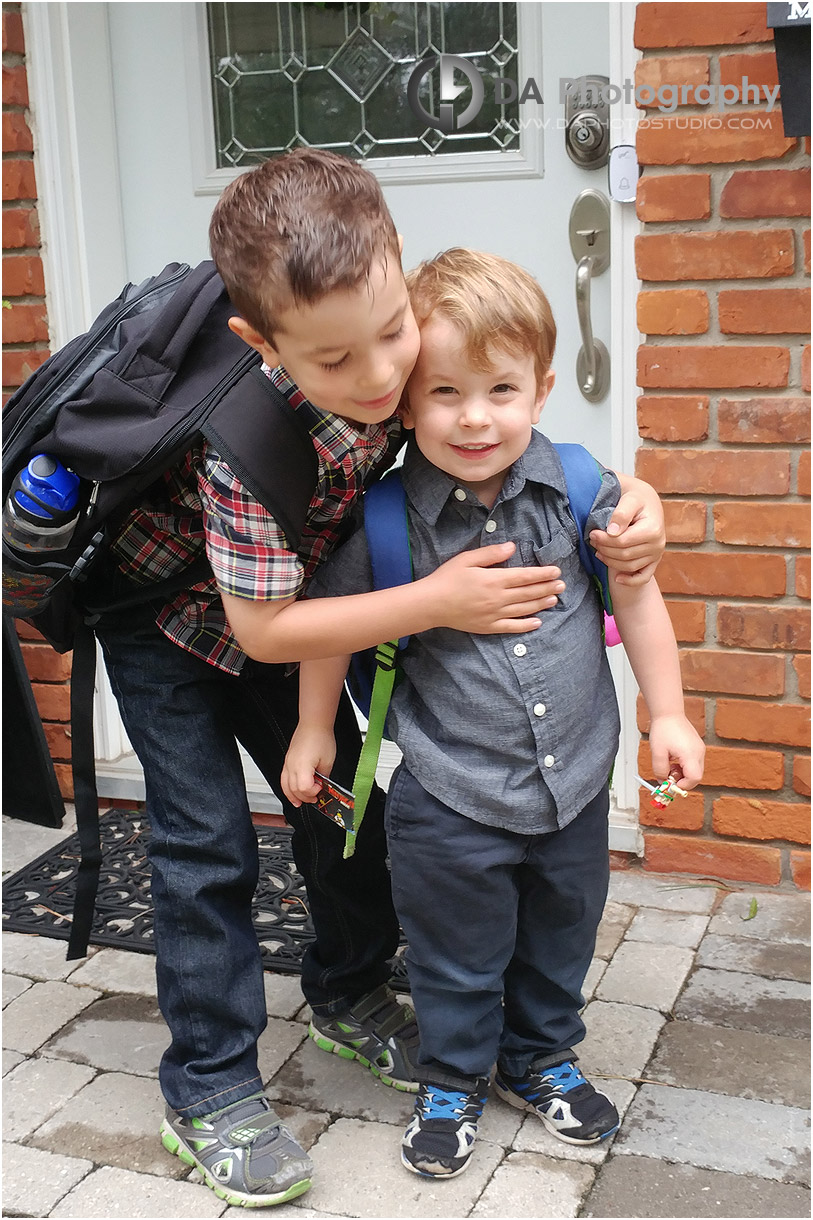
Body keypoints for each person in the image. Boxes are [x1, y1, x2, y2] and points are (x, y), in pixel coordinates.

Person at [91, 152, 668, 1207]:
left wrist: (643, 506)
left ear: (401, 273)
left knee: (344, 803)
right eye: (336, 358)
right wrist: (439, 601)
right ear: (265, 346)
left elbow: (536, 435)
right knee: (204, 842)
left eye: (395, 331)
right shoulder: (243, 434)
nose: (378, 376)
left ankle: (348, 988)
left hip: (318, 606)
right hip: (173, 617)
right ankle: (211, 1082)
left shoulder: (413, 365)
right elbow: (266, 628)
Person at [282, 247, 705, 1181]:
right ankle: (453, 1075)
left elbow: (635, 597)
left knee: (560, 934)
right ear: (405, 400)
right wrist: (315, 731)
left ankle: (539, 1055)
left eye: (501, 389)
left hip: (575, 784)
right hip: (449, 793)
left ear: (542, 390)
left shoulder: (584, 492)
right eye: (444, 393)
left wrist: (664, 714)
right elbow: (329, 631)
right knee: (454, 953)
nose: (474, 417)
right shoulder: (388, 520)